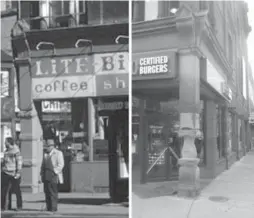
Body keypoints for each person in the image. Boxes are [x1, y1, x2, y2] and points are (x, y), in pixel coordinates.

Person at [40, 139, 64, 212]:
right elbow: (42, 165)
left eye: (48, 146)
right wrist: (41, 174)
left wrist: (55, 171)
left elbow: (61, 164)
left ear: (52, 146)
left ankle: (54, 207)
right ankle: (48, 207)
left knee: (53, 192)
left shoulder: (58, 153)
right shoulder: (45, 154)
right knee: (47, 192)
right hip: (46, 175)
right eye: (46, 146)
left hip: (54, 175)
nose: (46, 148)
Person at [1, 137, 23, 211]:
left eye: (5, 142)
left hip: (14, 173)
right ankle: (4, 206)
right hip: (5, 172)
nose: (4, 143)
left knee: (17, 191)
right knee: (3, 191)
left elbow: (19, 162)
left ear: (9, 143)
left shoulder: (16, 151)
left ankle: (19, 206)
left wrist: (18, 173)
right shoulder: (6, 151)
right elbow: (4, 162)